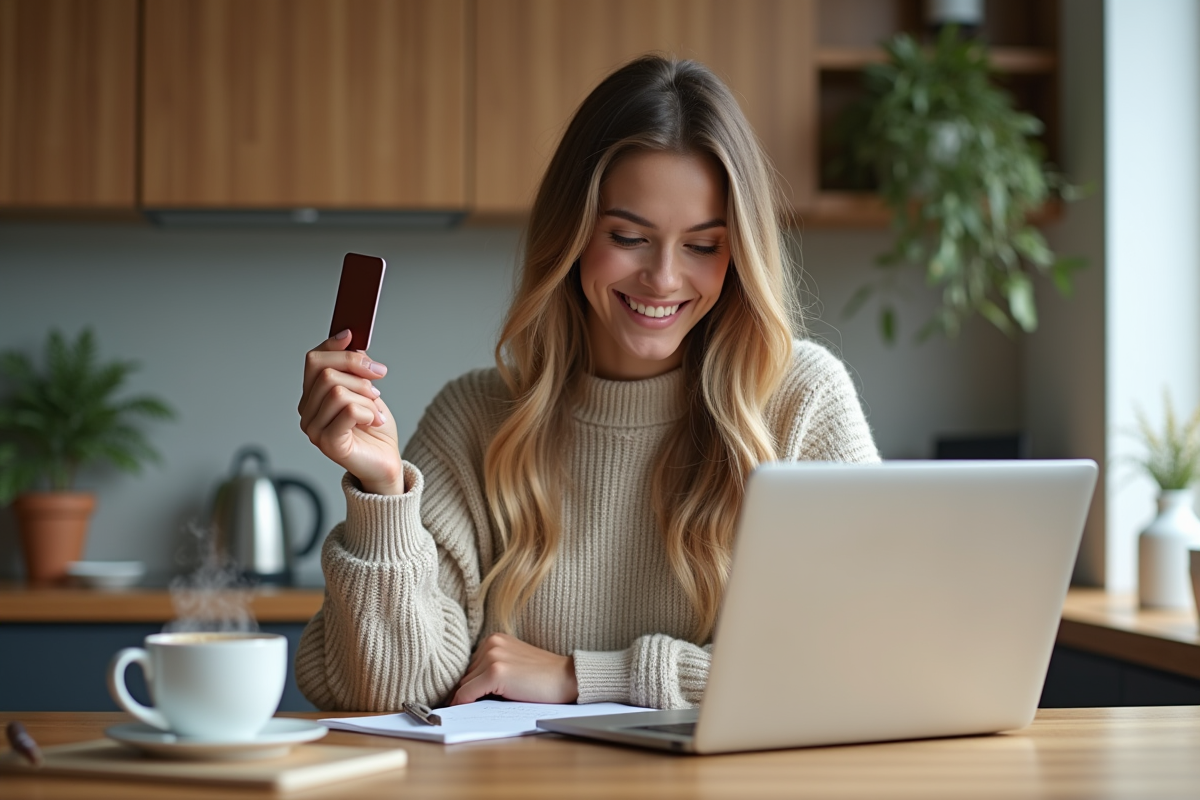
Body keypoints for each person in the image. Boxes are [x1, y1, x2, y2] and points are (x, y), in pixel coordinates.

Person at [294, 55, 879, 712]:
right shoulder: (475, 419)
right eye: (628, 237)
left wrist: (587, 676)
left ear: (739, 252)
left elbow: (869, 657)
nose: (663, 278)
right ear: (571, 234)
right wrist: (383, 494)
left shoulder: (801, 401)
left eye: (702, 246)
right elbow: (383, 693)